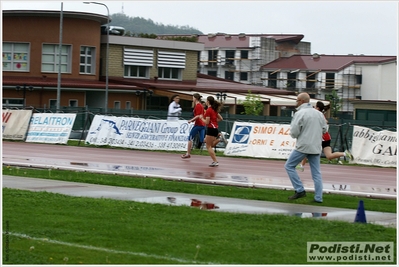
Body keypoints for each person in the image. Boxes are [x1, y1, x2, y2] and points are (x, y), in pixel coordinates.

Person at [284, 93, 328, 203]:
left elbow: (294, 131)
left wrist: (298, 135)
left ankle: (299, 189)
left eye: (297, 100)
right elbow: (325, 129)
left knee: (289, 166)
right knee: (316, 173)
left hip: (303, 145)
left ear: (302, 101)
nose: (296, 102)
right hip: (316, 145)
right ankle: (318, 198)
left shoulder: (300, 113)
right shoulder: (318, 114)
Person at [296, 101, 353, 172]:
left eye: (315, 106)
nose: (313, 108)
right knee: (329, 156)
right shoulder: (318, 114)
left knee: (307, 149)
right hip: (326, 137)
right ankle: (344, 153)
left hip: (321, 137)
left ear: (317, 108)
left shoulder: (319, 115)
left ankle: (301, 165)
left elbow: (325, 122)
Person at [200, 96, 223, 167]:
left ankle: (215, 161)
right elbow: (221, 118)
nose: (206, 102)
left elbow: (206, 122)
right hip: (215, 129)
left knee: (208, 146)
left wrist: (201, 118)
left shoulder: (209, 110)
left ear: (208, 102)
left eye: (206, 101)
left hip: (211, 129)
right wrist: (214, 121)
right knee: (211, 145)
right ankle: (219, 139)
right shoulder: (214, 109)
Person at [181, 93, 206, 159]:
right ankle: (213, 139)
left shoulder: (198, 105)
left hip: (198, 124)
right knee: (202, 139)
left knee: (190, 138)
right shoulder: (199, 105)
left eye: (193, 97)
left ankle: (188, 153)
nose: (192, 99)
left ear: (195, 98)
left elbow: (198, 116)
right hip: (202, 124)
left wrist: (191, 120)